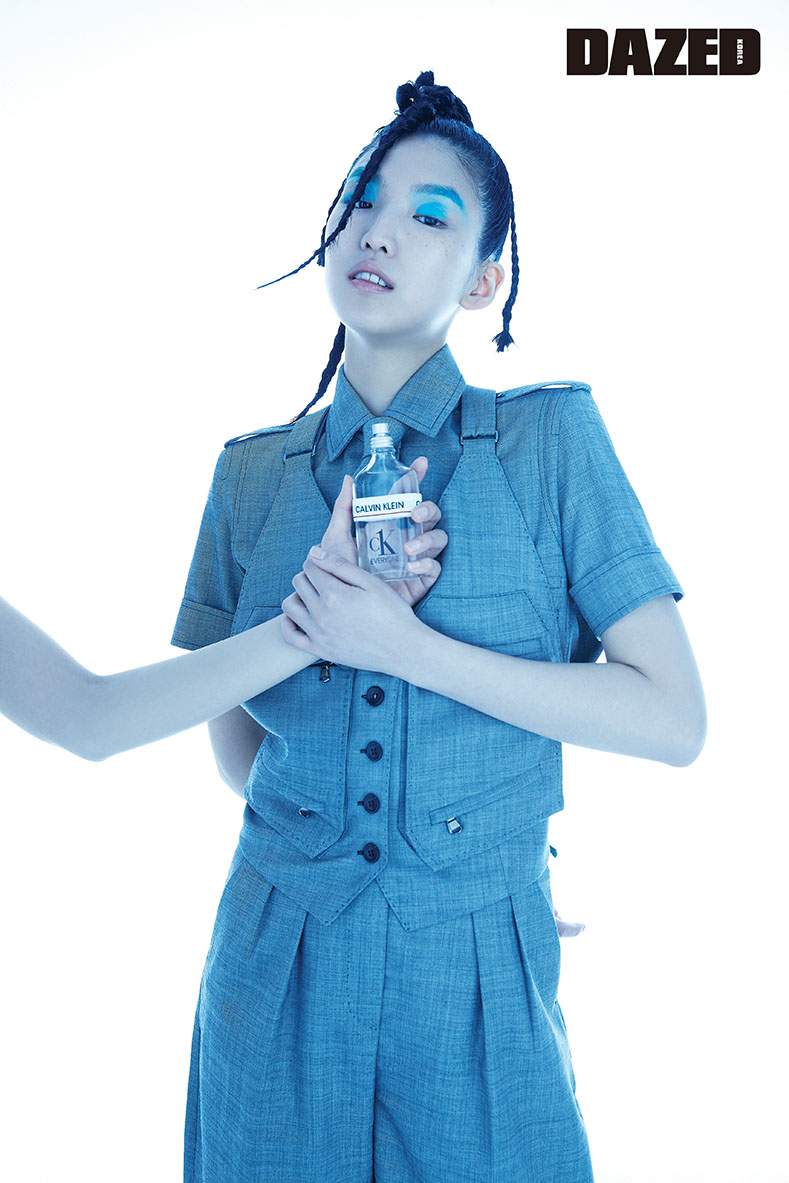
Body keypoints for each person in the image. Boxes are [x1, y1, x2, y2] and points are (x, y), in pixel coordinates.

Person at [172, 71, 706, 1182]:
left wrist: (410, 656)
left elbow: (672, 716)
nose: (378, 231)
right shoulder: (249, 477)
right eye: (362, 201)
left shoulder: (548, 443)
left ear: (485, 279)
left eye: (429, 215)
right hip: (272, 971)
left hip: (475, 982)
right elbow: (238, 754)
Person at [0, 464, 444, 758]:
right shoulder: (247, 471)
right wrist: (327, 610)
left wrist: (331, 609)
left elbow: (89, 715)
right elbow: (88, 719)